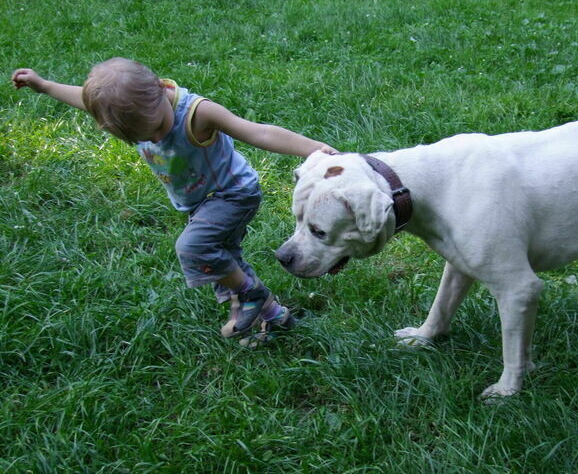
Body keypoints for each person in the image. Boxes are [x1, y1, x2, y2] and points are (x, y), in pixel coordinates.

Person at [12, 57, 338, 345]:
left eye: (157, 127)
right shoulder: (134, 112)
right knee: (224, 261)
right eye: (143, 138)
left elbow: (259, 132)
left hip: (232, 194)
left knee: (193, 248)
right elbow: (84, 100)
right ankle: (275, 316)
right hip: (200, 202)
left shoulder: (198, 113)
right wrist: (44, 85)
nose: (156, 138)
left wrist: (317, 150)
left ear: (160, 88)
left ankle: (252, 294)